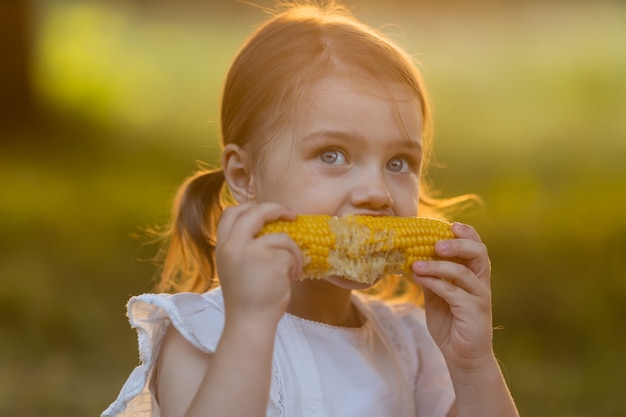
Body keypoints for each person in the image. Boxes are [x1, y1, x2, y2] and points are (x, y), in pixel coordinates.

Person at [102, 2, 520, 416]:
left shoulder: (410, 344)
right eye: (332, 155)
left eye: (399, 163)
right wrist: (250, 326)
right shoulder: (205, 335)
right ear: (245, 177)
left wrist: (473, 365)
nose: (377, 192)